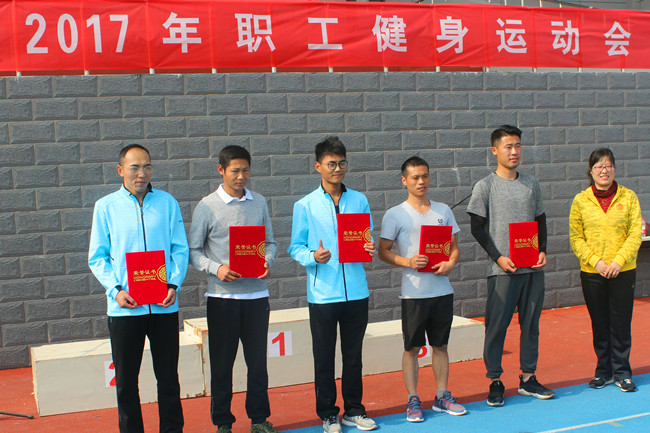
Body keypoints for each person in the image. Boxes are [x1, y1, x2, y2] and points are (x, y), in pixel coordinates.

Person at [88, 144, 189, 433]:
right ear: (120, 170)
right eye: (134, 167)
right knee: (126, 382)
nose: (141, 173)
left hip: (163, 305)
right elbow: (97, 257)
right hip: (125, 308)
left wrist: (174, 284)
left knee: (168, 378)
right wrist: (116, 290)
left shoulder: (167, 203)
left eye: (147, 167)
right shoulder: (106, 206)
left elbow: (179, 249)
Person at [288, 137, 377, 433]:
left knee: (354, 357)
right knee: (324, 358)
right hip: (323, 295)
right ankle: (328, 414)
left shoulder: (359, 200)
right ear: (318, 166)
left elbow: (366, 237)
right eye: (331, 164)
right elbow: (295, 247)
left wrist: (368, 246)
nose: (338, 169)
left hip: (357, 291)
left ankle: (354, 410)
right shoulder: (305, 205)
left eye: (342, 163)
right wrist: (313, 257)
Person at [188, 145, 278, 433]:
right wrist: (216, 269)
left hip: (256, 296)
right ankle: (223, 423)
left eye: (245, 170)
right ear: (221, 170)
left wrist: (267, 260)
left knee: (258, 364)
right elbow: (193, 251)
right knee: (222, 365)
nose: (241, 176)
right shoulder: (206, 206)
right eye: (235, 171)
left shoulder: (259, 202)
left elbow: (271, 242)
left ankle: (259, 420)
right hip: (222, 298)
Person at [466, 125, 555, 407]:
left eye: (518, 146)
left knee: (531, 325)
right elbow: (477, 227)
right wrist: (498, 257)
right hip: (503, 270)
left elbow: (540, 220)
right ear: (495, 150)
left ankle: (528, 377)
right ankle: (495, 380)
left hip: (532, 269)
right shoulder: (485, 186)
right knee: (496, 327)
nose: (514, 151)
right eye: (508, 146)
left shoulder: (531, 183)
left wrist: (542, 250)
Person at [377, 157, 467, 422]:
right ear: (404, 180)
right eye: (415, 177)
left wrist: (451, 263)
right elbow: (383, 251)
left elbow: (454, 248)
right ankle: (413, 399)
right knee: (412, 348)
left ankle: (441, 396)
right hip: (413, 294)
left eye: (425, 176)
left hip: (442, 291)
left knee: (441, 345)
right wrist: (408, 262)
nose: (421, 181)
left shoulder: (443, 210)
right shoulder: (395, 214)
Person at [569, 148, 642, 392]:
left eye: (608, 165)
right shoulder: (580, 200)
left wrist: (619, 261)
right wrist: (596, 262)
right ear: (590, 171)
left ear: (614, 169)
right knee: (600, 323)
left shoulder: (629, 197)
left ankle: (622, 372)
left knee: (620, 323)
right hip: (593, 273)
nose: (604, 170)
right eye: (599, 166)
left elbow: (635, 233)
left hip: (623, 271)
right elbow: (576, 238)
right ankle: (603, 371)